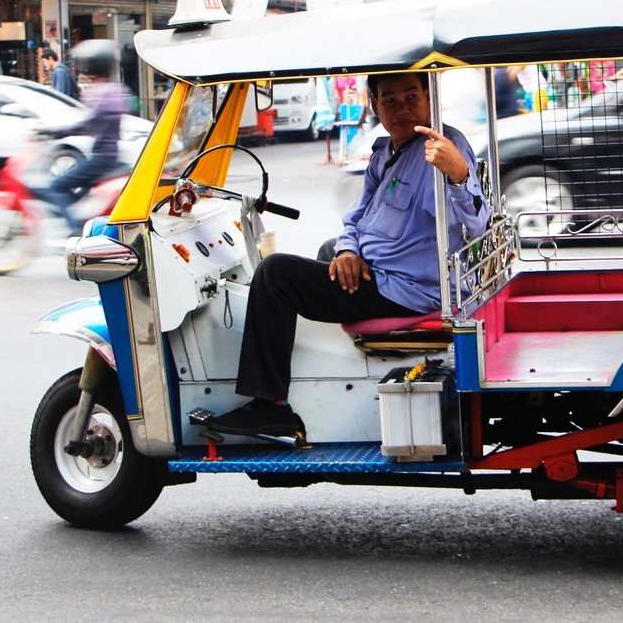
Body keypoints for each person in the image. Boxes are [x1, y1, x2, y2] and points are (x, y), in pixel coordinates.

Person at [210, 72, 490, 436]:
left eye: (412, 97)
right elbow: (359, 216)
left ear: (429, 98)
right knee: (331, 248)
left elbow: (476, 222)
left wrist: (458, 172)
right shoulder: (385, 152)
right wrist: (347, 250)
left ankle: (268, 404)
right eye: (390, 100)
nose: (403, 108)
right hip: (382, 269)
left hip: (406, 289)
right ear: (374, 105)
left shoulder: (442, 148)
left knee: (275, 274)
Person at [31, 39, 130, 234]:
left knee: (57, 185)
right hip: (109, 156)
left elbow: (86, 125)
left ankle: (76, 230)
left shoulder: (102, 92)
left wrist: (52, 131)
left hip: (102, 159)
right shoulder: (115, 89)